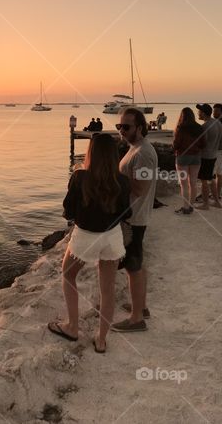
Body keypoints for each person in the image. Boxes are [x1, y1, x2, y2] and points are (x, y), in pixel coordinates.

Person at [49, 133, 131, 353]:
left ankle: (72, 327)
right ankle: (101, 339)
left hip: (85, 236)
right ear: (114, 155)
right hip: (112, 236)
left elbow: (68, 210)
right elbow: (126, 211)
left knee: (68, 275)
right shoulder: (122, 180)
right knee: (107, 289)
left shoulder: (80, 177)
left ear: (91, 153)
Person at [112, 108, 157, 333]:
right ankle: (142, 306)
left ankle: (136, 319)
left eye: (126, 127)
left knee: (133, 265)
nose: (121, 130)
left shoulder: (144, 154)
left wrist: (114, 178)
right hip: (134, 215)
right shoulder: (135, 149)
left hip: (134, 217)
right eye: (119, 126)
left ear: (140, 127)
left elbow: (140, 188)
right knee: (137, 263)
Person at [173, 107, 204, 215]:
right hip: (196, 157)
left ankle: (185, 207)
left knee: (184, 184)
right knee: (193, 183)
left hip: (183, 156)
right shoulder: (199, 128)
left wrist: (175, 148)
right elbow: (203, 144)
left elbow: (176, 144)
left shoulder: (181, 128)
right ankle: (191, 206)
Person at [195, 104, 222, 210]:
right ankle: (217, 202)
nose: (198, 113)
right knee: (211, 179)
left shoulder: (205, 126)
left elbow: (203, 144)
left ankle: (205, 204)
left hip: (206, 156)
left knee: (204, 181)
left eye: (199, 112)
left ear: (203, 113)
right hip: (214, 154)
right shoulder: (218, 123)